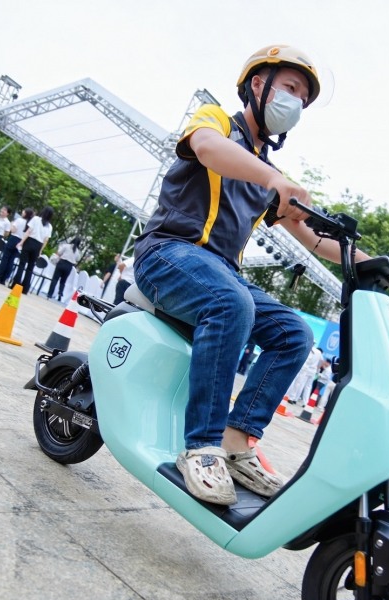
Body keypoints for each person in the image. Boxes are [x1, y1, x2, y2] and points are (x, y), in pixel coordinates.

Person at [132, 45, 369, 505]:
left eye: (303, 98)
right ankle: (202, 447)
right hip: (167, 253)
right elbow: (206, 148)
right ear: (258, 85)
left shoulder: (270, 174)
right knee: (230, 301)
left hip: (219, 272)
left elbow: (313, 240)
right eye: (291, 88)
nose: (296, 103)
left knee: (295, 334)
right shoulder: (217, 122)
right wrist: (272, 180)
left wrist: (369, 264)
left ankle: (236, 443)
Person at [12, 206, 53, 294]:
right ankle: (25, 288)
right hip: (38, 245)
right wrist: (40, 250)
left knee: (22, 264)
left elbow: (28, 231)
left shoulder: (36, 219)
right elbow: (46, 240)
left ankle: (15, 284)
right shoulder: (49, 226)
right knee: (30, 268)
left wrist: (21, 242)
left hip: (29, 242)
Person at [0, 207, 33, 285]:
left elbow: (13, 230)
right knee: (11, 260)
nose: (22, 212)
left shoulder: (19, 220)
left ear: (25, 213)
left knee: (5, 258)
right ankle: (5, 278)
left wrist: (11, 224)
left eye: (23, 211)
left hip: (14, 239)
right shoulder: (29, 224)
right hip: (21, 242)